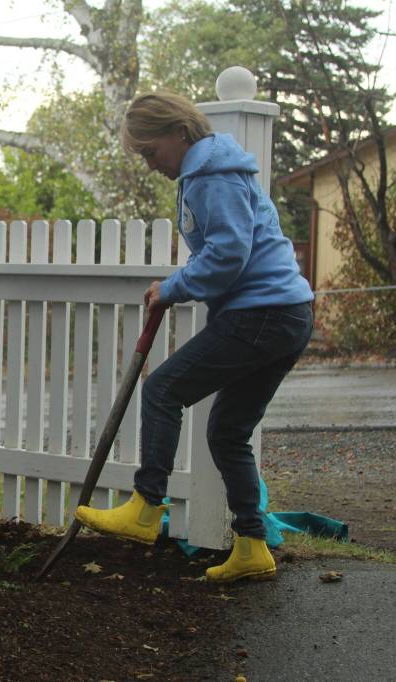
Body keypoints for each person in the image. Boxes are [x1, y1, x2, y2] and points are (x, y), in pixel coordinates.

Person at [75, 91, 314, 583]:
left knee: (163, 389)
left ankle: (145, 507)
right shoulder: (211, 169)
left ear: (178, 132)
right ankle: (251, 545)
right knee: (227, 432)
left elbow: (228, 254)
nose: (148, 164)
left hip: (264, 313)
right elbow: (227, 251)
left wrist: (174, 286)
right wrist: (176, 285)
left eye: (149, 152)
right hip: (285, 313)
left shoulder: (211, 174)